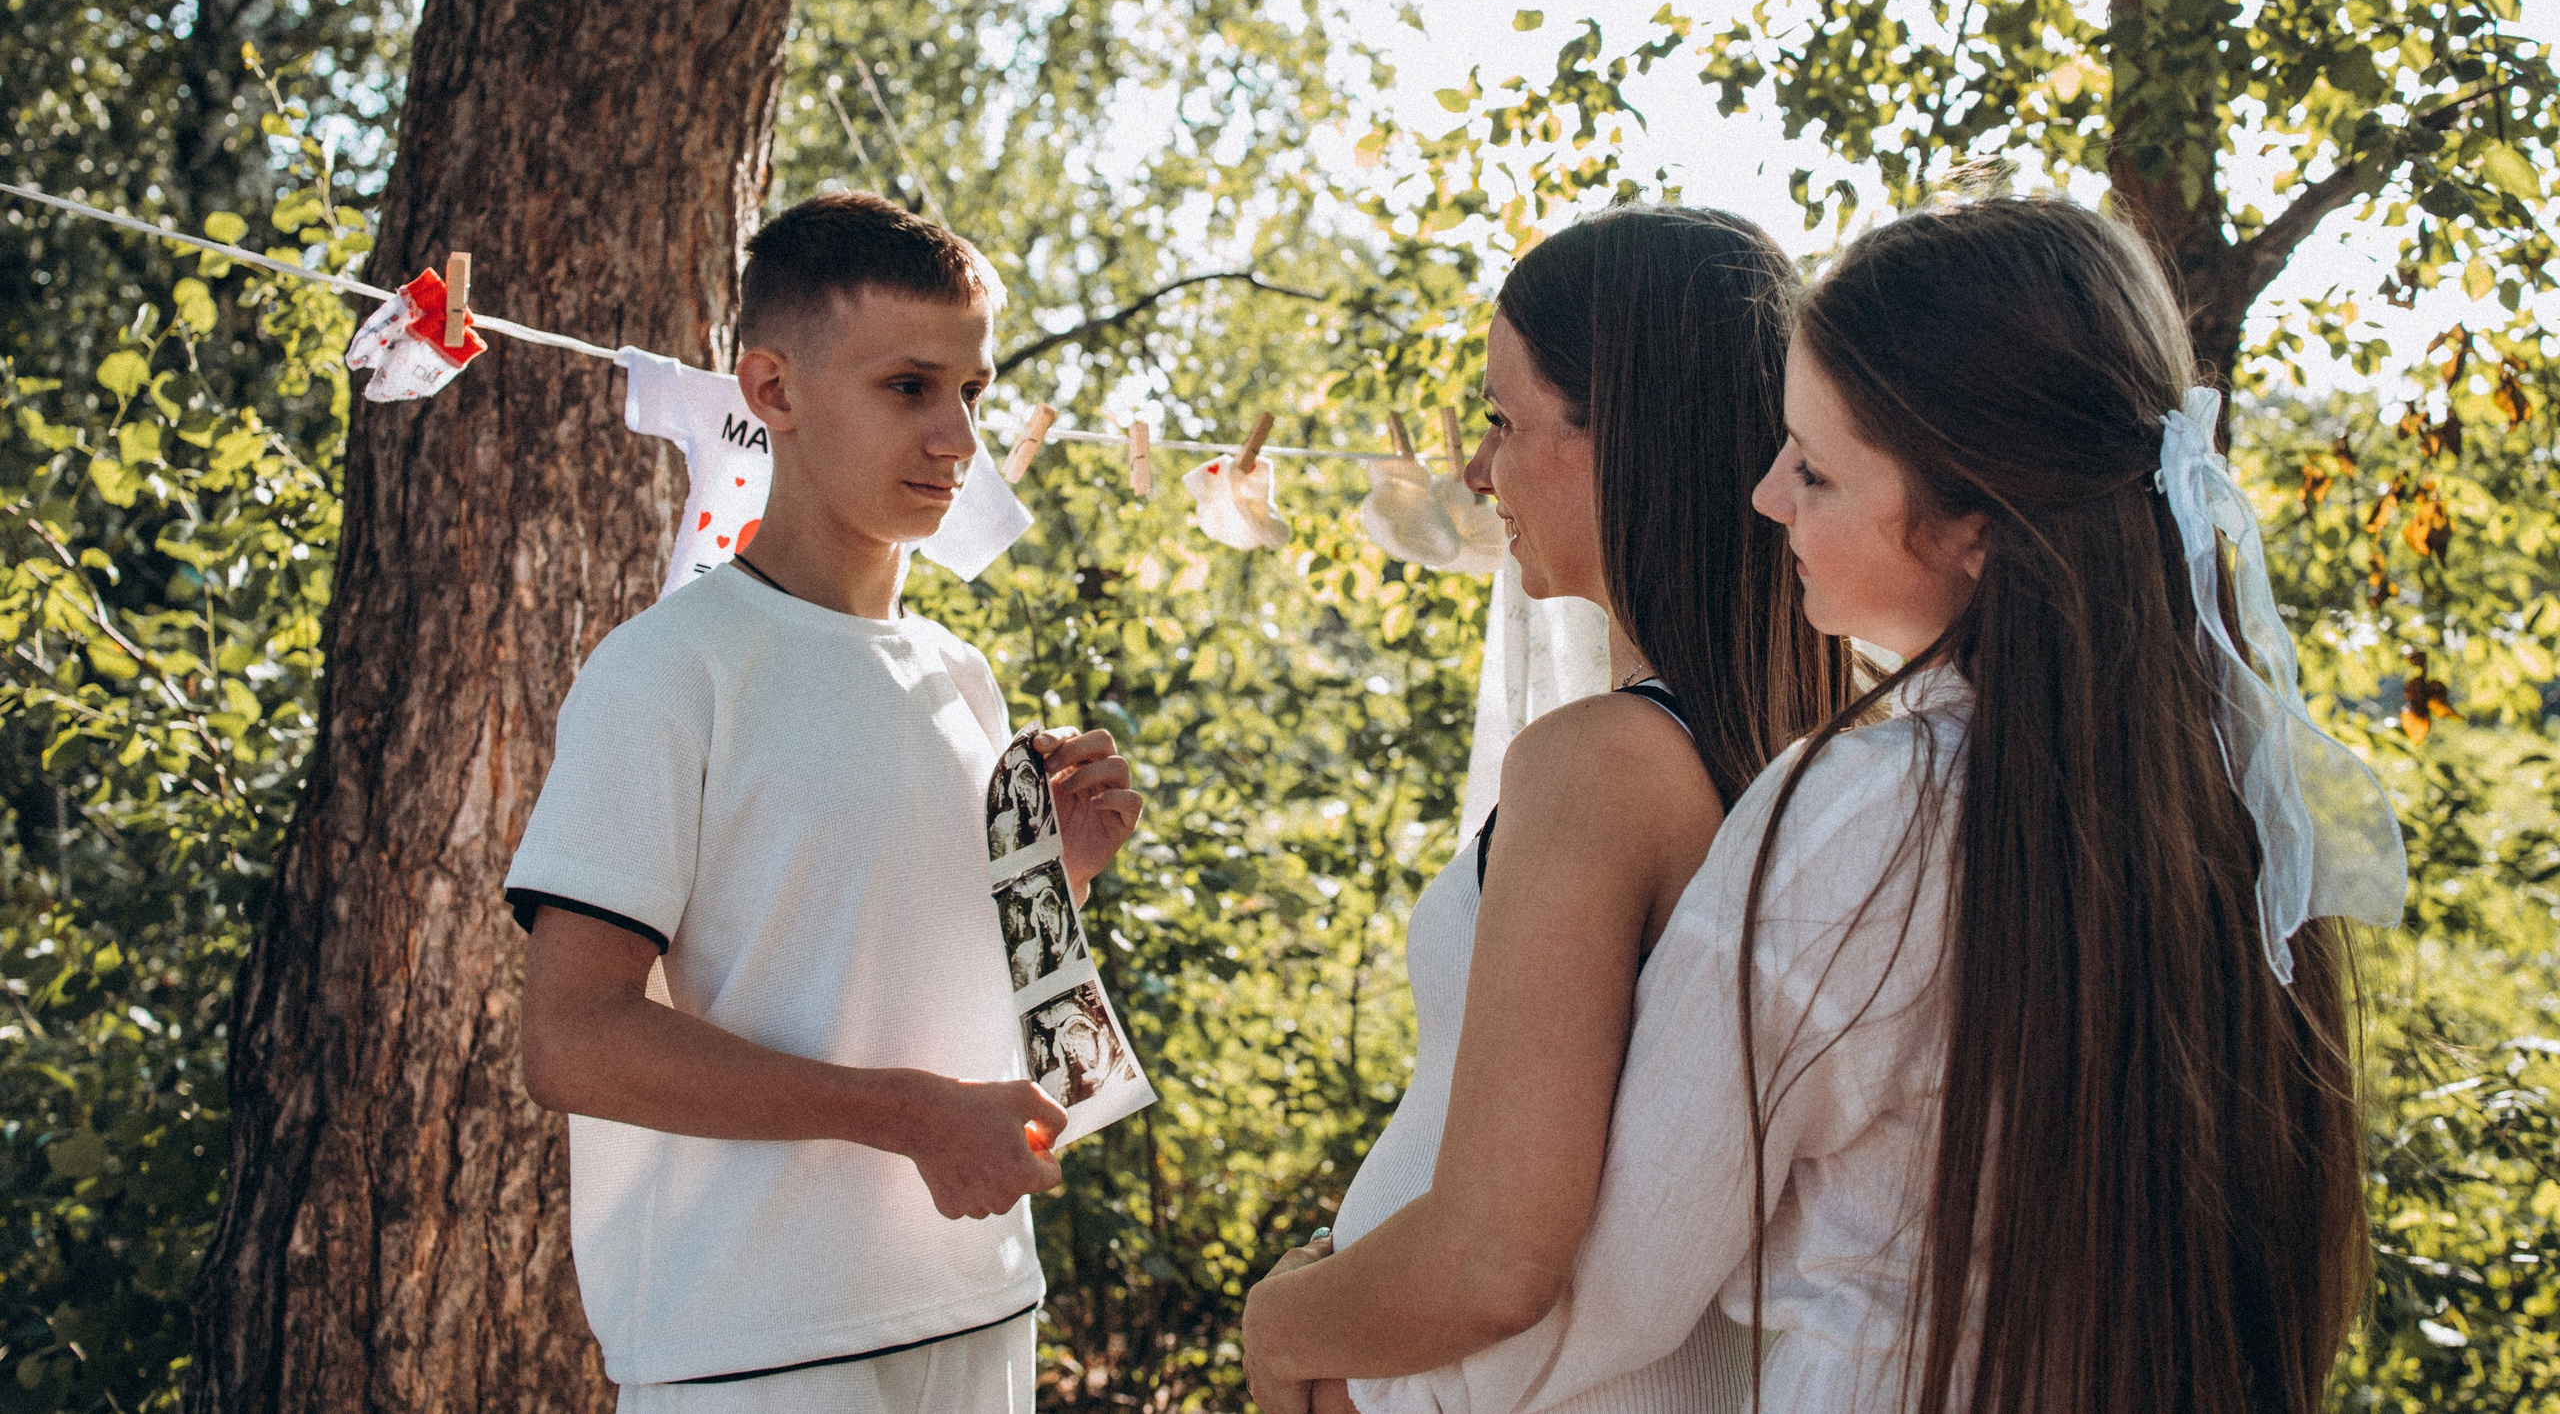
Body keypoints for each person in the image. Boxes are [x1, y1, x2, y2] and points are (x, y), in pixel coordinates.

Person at [1338, 194, 2402, 1414]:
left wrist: (1344, 1366)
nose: (1766, 498)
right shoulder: (2209, 803)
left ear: (1973, 529)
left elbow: (1596, 1281)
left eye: (1816, 469)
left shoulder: (1866, 820)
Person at [504, 191, 1143, 1409]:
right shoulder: (666, 672)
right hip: (752, 1348)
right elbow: (572, 1040)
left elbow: (882, 963)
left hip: (985, 1308)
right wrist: (905, 1118)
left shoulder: (962, 674)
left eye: (973, 391)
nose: (957, 438)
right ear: (772, 389)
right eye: (909, 387)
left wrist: (1050, 879)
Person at [1242, 205, 1859, 1412]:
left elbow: (1493, 1259)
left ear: (1623, 438)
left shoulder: (1601, 766)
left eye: (1501, 420)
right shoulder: (1814, 755)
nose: (1477, 472)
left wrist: (1282, 1329)